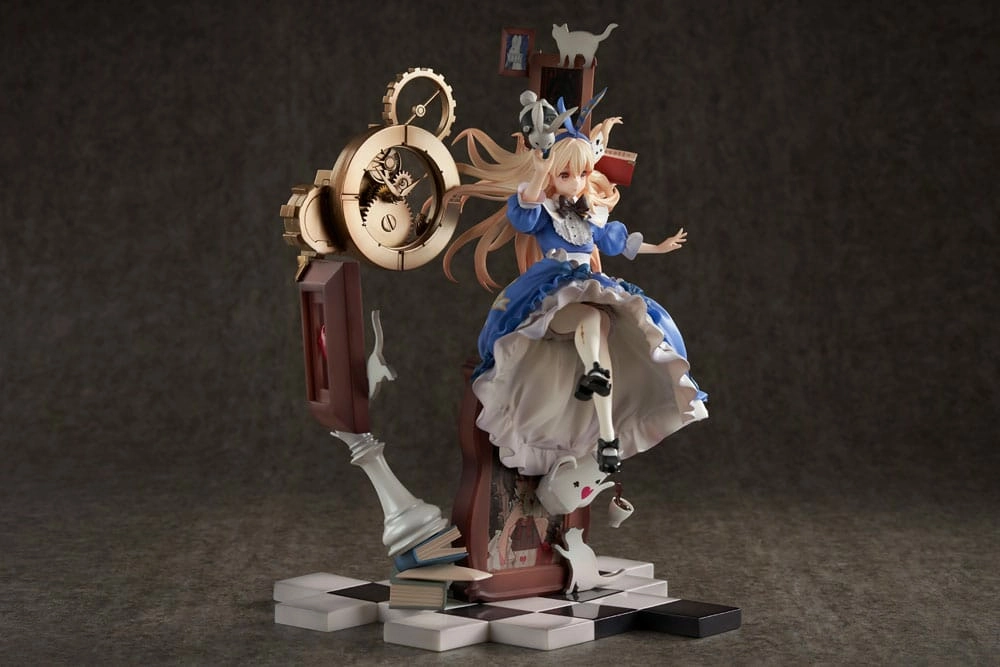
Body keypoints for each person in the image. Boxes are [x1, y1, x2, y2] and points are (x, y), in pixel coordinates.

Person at [442, 100, 707, 493]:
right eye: (566, 174)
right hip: (556, 287)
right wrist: (539, 170)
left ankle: (606, 428)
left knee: (602, 321)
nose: (576, 181)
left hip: (589, 285)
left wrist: (660, 247)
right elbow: (524, 213)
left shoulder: (588, 216)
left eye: (582, 173)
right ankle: (599, 394)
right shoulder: (545, 210)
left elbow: (618, 243)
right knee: (589, 319)